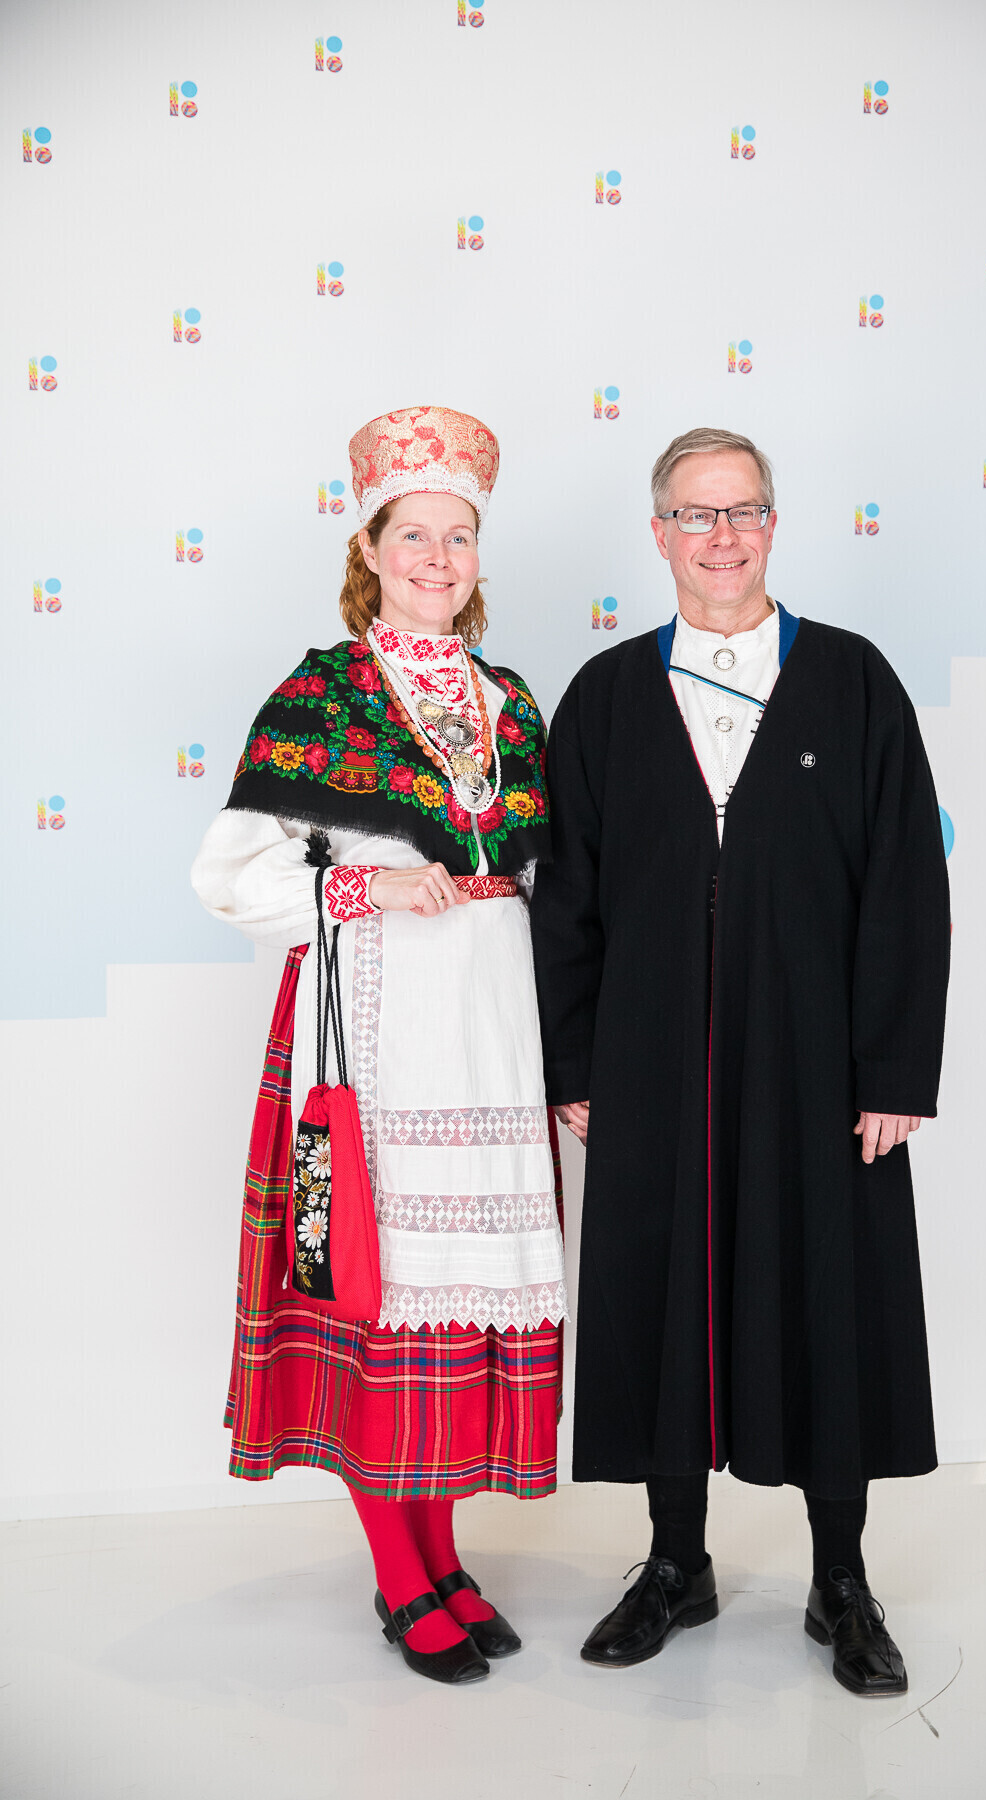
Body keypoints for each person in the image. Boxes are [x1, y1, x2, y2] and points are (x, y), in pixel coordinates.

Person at [530, 426, 950, 1696]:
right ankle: (676, 1564)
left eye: (745, 511)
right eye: (697, 515)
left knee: (831, 1299)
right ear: (658, 533)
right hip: (650, 1062)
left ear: (774, 524)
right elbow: (568, 898)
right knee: (664, 1301)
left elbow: (907, 885)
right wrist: (576, 1062)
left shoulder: (854, 681)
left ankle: (841, 1581)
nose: (723, 537)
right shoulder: (606, 695)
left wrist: (894, 1073)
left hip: (822, 1068)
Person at [193, 406, 566, 1686]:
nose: (438, 557)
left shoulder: (510, 700)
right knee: (375, 1292)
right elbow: (228, 877)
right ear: (370, 546)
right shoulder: (323, 693)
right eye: (415, 534)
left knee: (456, 1317)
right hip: (367, 1040)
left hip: (491, 1033)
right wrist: (367, 888)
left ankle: (443, 1554)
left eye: (459, 536)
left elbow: (551, 874)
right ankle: (398, 1574)